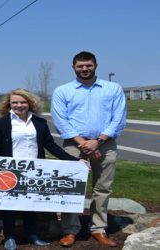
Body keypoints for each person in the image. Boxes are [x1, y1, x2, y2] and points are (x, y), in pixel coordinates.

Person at [0, 89, 81, 250]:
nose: (19, 105)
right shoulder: (1, 124)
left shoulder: (40, 123)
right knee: (9, 206)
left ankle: (32, 234)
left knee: (31, 205)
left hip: (35, 170)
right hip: (11, 170)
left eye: (23, 102)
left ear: (30, 103)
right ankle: (9, 236)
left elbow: (50, 146)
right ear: (9, 104)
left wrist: (75, 161)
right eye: (15, 102)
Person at [51, 51, 126, 247]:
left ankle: (98, 229)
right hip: (73, 145)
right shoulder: (62, 91)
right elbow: (61, 120)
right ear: (73, 67)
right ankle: (70, 230)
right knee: (70, 187)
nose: (84, 69)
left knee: (102, 188)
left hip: (106, 144)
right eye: (80, 66)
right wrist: (84, 143)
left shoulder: (112, 88)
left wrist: (98, 141)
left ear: (95, 65)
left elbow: (118, 118)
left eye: (88, 65)